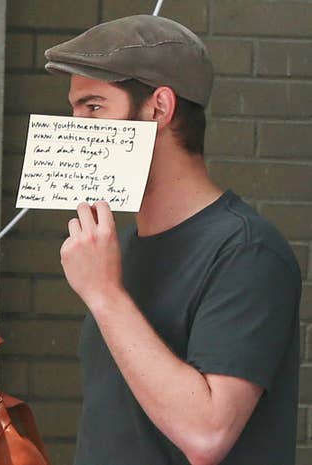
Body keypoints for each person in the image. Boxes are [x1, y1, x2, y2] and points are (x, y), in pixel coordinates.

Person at [43, 15, 301, 465]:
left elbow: (207, 435)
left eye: (94, 107)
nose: (77, 127)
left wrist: (105, 295)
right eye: (74, 109)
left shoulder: (247, 251)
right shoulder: (119, 248)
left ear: (159, 108)